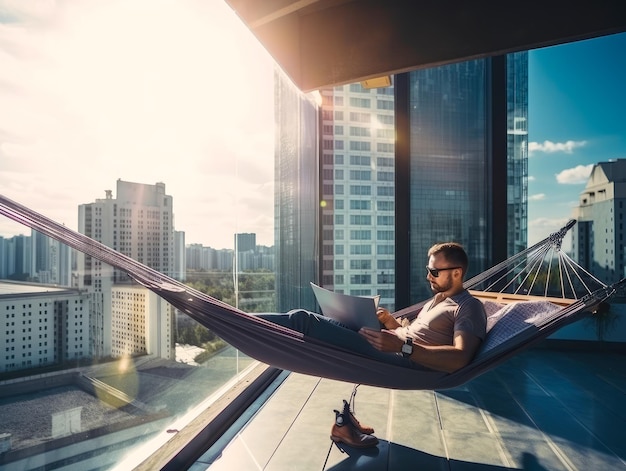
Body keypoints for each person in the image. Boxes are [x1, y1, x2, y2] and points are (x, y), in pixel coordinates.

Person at [258, 242, 487, 448]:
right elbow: (417, 334)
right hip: (393, 347)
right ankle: (344, 423)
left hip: (405, 362)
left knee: (302, 320)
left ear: (457, 273)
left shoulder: (468, 307)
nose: (428, 276)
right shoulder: (437, 300)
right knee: (335, 319)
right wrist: (390, 323)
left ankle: (235, 319)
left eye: (434, 272)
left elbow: (460, 357)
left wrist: (402, 346)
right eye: (428, 270)